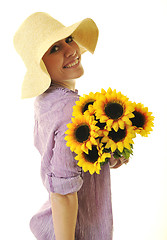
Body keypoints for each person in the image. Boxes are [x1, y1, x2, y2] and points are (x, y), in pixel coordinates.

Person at [13, 12, 127, 240]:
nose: (70, 50)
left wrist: (113, 146)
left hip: (54, 225)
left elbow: (74, 158)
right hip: (75, 231)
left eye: (68, 39)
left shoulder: (47, 101)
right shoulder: (71, 110)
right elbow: (63, 194)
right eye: (54, 49)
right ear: (41, 66)